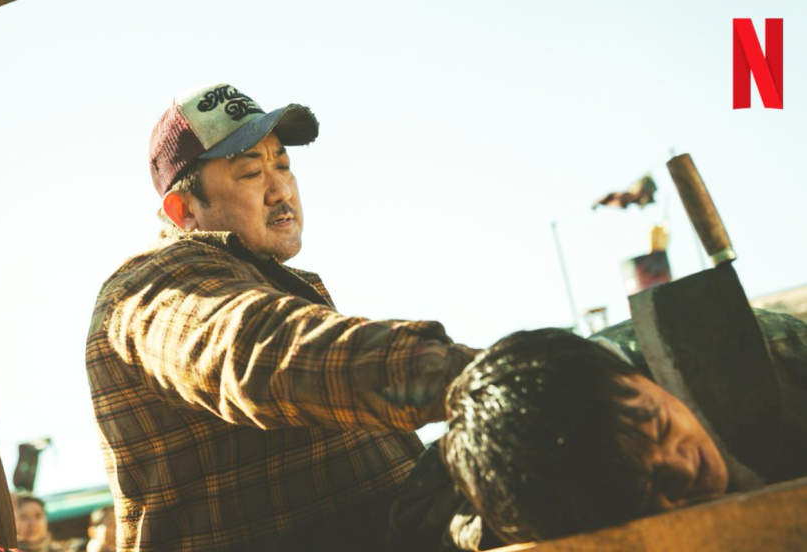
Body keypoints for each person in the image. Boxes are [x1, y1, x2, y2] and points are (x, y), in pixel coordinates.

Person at [86, 83, 480, 552]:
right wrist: (478, 378)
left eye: (283, 165)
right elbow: (256, 352)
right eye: (251, 172)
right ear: (184, 210)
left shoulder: (270, 279)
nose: (280, 190)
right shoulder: (151, 287)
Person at [434, 310, 807, 546]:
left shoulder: (780, 356)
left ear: (634, 373)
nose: (683, 468)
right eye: (648, 484)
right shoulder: (533, 498)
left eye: (663, 428)